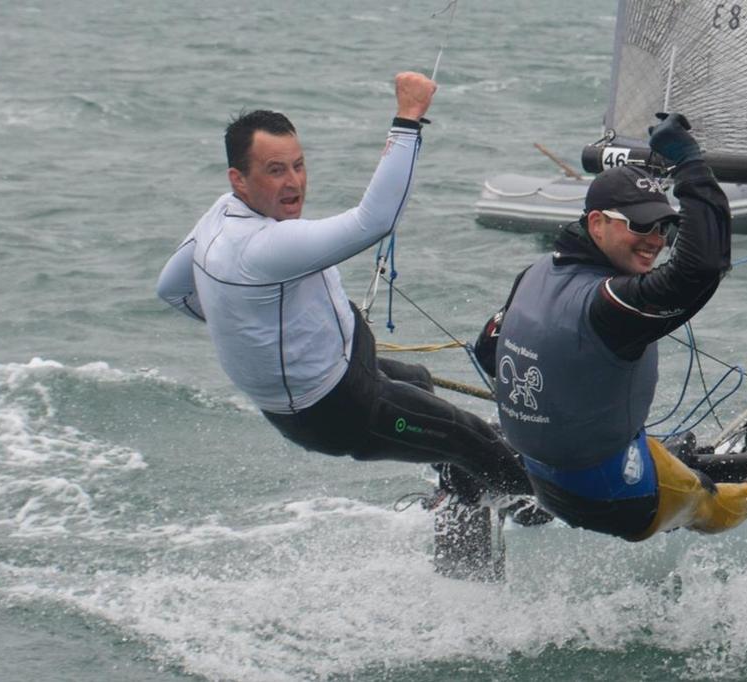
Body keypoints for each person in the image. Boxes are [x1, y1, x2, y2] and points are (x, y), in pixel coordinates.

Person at [156, 72, 543, 561]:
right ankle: (550, 505)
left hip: (339, 372)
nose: (293, 182)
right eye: (275, 171)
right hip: (340, 409)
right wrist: (408, 119)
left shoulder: (221, 215)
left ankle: (462, 504)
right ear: (240, 179)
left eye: (298, 166)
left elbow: (171, 289)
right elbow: (374, 221)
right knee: (471, 439)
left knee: (420, 384)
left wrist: (249, 324)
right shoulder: (264, 246)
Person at [475, 113, 747, 541]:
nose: (657, 240)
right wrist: (690, 164)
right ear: (596, 224)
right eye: (641, 225)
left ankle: (596, 474)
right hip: (619, 500)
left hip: (544, 474)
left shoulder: (534, 274)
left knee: (648, 448)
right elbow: (699, 269)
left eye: (665, 226)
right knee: (710, 502)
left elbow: (489, 350)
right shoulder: (607, 307)